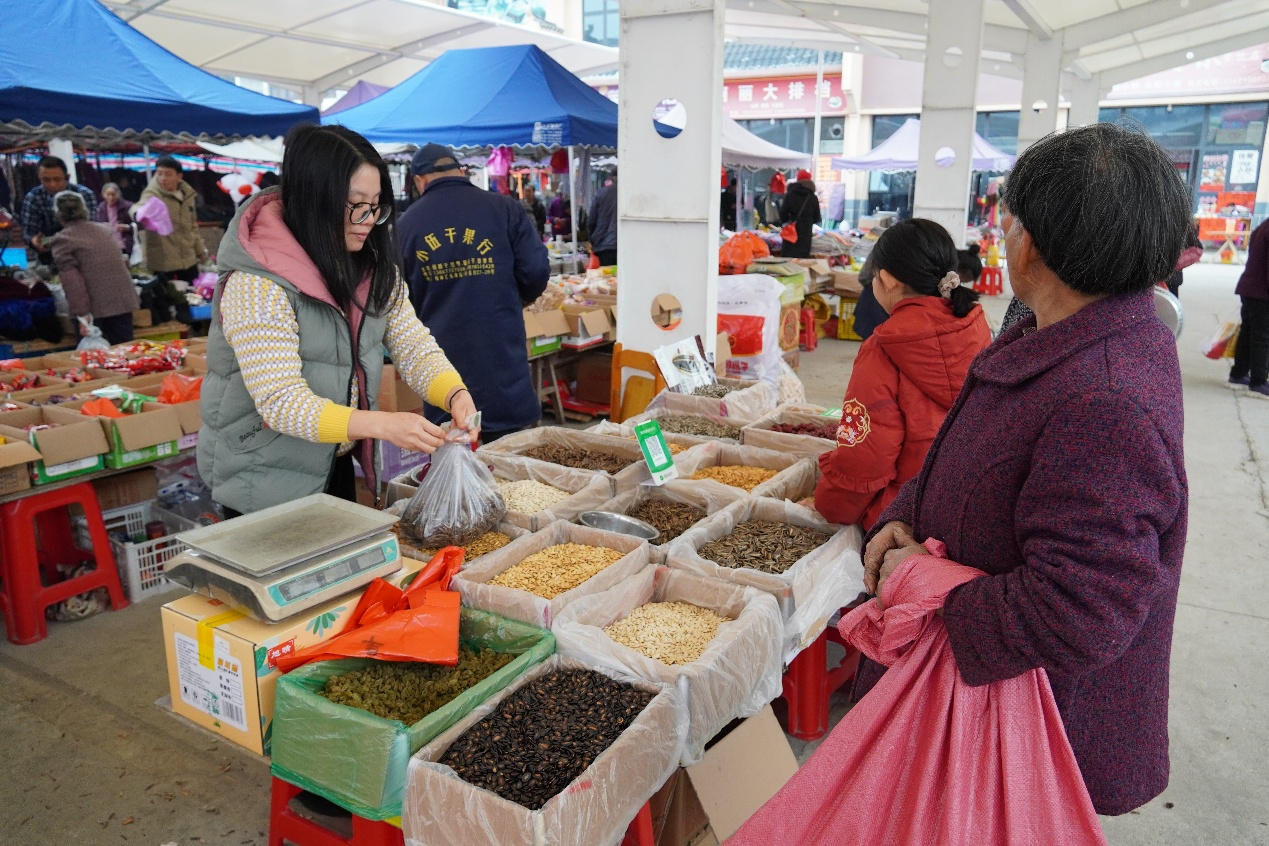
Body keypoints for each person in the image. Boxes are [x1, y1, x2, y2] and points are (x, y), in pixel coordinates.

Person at [861, 124, 1190, 816]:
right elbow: (972, 450)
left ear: (1030, 244)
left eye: (1009, 220)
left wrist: (924, 584)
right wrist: (904, 513)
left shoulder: (1106, 395)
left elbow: (1082, 610)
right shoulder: (1055, 332)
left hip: (1024, 729)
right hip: (981, 704)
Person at [199, 125, 478, 517]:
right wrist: (383, 425)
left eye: (376, 206)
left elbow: (414, 347)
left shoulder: (369, 267)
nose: (368, 219)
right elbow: (280, 401)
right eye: (356, 204)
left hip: (332, 458)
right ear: (314, 199)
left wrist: (455, 393)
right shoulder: (256, 282)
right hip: (261, 477)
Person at [815, 219, 990, 529]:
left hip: (900, 519)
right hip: (965, 511)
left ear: (887, 279)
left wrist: (829, 507)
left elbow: (864, 457)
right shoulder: (976, 328)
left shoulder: (883, 348)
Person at [398, 143, 549, 444]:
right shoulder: (504, 209)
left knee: (454, 462)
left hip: (441, 370)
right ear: (460, 170)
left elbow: (398, 302)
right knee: (510, 464)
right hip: (502, 364)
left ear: (419, 180)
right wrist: (513, 299)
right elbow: (536, 272)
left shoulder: (405, 226)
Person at [49, 191, 139, 346]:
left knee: (95, 357)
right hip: (122, 302)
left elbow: (73, 282)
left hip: (94, 308)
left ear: (58, 215)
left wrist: (82, 314)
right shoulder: (106, 229)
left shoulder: (62, 239)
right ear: (84, 210)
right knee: (125, 353)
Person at [134, 155, 208, 322]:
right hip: (164, 259)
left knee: (192, 296)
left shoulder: (187, 194)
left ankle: (194, 329)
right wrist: (138, 213)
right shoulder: (153, 193)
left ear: (179, 176)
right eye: (159, 173)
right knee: (168, 302)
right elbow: (139, 207)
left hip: (187, 257)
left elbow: (192, 226)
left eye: (167, 174)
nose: (162, 178)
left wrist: (200, 251)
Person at [20, 156, 96, 267]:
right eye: (46, 180)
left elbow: (90, 228)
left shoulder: (84, 195)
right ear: (39, 178)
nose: (52, 184)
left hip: (83, 256)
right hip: (49, 259)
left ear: (67, 177)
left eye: (57, 179)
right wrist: (34, 241)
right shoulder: (33, 198)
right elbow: (28, 232)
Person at [1229, 217, 1269, 398]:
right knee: (1262, 336)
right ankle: (1258, 380)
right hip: (1261, 292)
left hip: (1250, 287)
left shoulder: (1263, 226)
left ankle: (1238, 373)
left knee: (1247, 332)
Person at [779, 169, 820, 259]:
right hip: (805, 235)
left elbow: (782, 213)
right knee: (802, 261)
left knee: (787, 260)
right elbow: (817, 218)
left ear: (797, 180)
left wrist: (789, 221)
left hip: (790, 233)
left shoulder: (790, 194)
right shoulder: (812, 197)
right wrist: (807, 221)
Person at [95, 182, 134, 259]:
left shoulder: (127, 206)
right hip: (109, 245)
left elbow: (139, 224)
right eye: (108, 195)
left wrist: (128, 227)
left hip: (125, 244)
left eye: (113, 194)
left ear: (118, 194)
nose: (111, 197)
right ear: (103, 195)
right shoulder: (101, 208)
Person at [587, 171, 618, 266]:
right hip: (626, 245)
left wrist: (592, 240)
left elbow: (591, 221)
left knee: (606, 274)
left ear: (612, 178)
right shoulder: (629, 193)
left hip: (604, 245)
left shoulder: (600, 193)